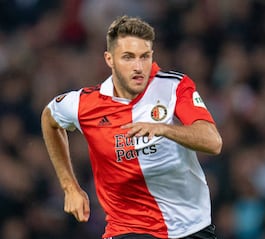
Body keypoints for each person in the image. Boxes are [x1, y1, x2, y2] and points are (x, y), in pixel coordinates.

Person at [41, 15, 223, 239]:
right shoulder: (84, 104)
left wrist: (165, 129)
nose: (138, 67)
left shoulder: (174, 87)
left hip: (190, 228)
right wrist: (70, 186)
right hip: (127, 229)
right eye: (128, 57)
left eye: (144, 57)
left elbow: (213, 142)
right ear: (110, 59)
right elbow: (50, 118)